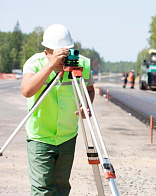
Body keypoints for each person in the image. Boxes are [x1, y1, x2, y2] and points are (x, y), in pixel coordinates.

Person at [21, 24, 95, 196]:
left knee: (62, 187)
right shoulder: (34, 63)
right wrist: (50, 66)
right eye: (57, 55)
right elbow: (27, 90)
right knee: (42, 189)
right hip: (41, 136)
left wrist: (87, 105)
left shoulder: (81, 64)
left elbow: (90, 90)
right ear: (47, 52)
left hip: (67, 135)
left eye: (65, 54)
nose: (62, 60)